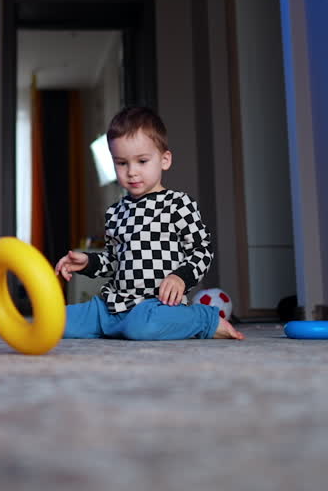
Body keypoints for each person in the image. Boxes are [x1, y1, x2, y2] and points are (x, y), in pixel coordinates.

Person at [54, 106, 244, 341]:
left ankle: (204, 318)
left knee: (142, 326)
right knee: (56, 320)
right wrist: (88, 262)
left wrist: (180, 277)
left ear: (165, 160)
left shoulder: (177, 204)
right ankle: (116, 325)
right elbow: (114, 262)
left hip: (157, 306)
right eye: (121, 163)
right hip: (113, 306)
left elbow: (202, 251)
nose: (131, 172)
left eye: (142, 161)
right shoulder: (115, 212)